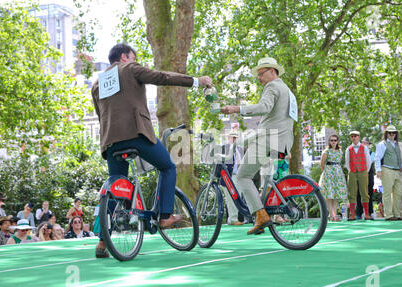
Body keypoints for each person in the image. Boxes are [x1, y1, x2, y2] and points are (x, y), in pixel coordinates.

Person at [91, 43, 212, 257]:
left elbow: (101, 115)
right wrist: (196, 81)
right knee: (167, 167)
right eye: (134, 57)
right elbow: (162, 77)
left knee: (116, 187)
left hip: (110, 141)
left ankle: (102, 242)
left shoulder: (97, 84)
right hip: (136, 134)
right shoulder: (129, 68)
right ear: (125, 56)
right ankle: (165, 215)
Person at [221, 57, 295, 235]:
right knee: (267, 178)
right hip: (284, 141)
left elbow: (264, 107)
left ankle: (260, 215)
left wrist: (237, 109)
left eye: (261, 74)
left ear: (272, 71)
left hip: (268, 138)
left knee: (242, 176)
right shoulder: (287, 90)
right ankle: (264, 209)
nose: (259, 78)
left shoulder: (272, 87)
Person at [374, 125, 402, 221]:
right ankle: (388, 214)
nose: (391, 134)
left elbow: (399, 157)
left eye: (393, 133)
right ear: (386, 134)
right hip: (386, 169)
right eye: (389, 133)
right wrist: (378, 170)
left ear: (396, 134)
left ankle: (398, 214)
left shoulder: (397, 144)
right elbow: (377, 158)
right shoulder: (382, 144)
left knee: (398, 193)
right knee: (387, 193)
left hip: (397, 171)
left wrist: (401, 167)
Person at [319, 135, 348, 221]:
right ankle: (332, 215)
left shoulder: (340, 151)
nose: (333, 142)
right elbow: (322, 164)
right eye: (331, 140)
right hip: (328, 173)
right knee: (328, 194)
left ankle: (334, 214)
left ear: (337, 141)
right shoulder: (326, 151)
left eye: (335, 140)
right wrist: (327, 173)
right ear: (329, 141)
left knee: (335, 195)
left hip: (338, 173)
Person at [345, 131, 372, 221]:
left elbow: (368, 161)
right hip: (352, 172)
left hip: (363, 171)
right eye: (352, 136)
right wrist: (351, 171)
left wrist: (365, 171)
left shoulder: (364, 148)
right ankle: (352, 214)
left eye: (355, 136)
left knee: (364, 192)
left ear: (359, 137)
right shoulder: (348, 149)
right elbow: (347, 162)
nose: (354, 138)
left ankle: (367, 214)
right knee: (352, 193)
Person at [221, 128, 244, 226]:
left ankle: (237, 218)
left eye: (236, 137)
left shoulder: (240, 149)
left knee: (238, 197)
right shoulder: (224, 148)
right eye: (233, 137)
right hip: (228, 177)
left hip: (238, 176)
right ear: (229, 138)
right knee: (230, 198)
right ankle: (232, 219)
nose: (234, 139)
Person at [356, 137, 375, 218]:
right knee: (358, 194)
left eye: (366, 143)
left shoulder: (372, 153)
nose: (364, 145)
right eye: (363, 143)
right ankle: (359, 213)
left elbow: (369, 162)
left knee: (369, 193)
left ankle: (370, 212)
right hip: (359, 174)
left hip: (368, 174)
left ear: (368, 145)